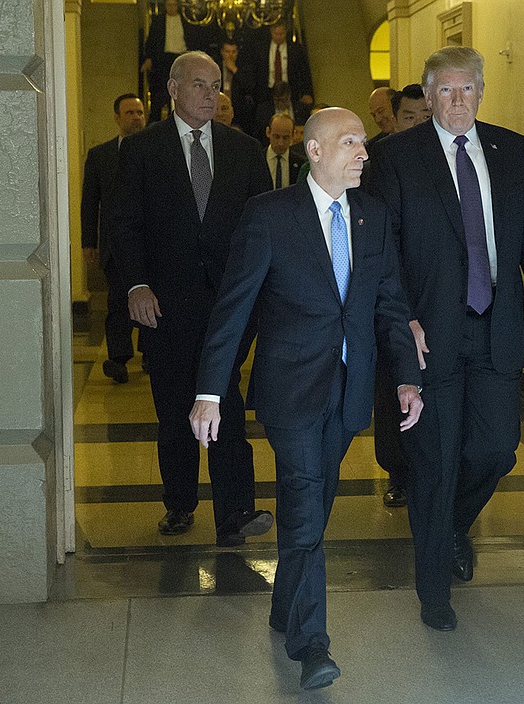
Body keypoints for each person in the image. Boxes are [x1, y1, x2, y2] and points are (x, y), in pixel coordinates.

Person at [189, 107, 423, 690]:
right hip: (290, 391)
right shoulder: (270, 217)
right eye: (351, 143)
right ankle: (311, 644)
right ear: (315, 152)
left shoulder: (372, 214)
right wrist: (209, 392)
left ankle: (281, 606)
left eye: (364, 144)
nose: (364, 154)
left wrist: (406, 379)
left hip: (348, 393)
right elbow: (233, 307)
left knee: (312, 510)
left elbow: (389, 303)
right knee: (303, 505)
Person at [368, 46, 524, 631]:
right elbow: (383, 251)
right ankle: (433, 592)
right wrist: (402, 320)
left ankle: (451, 526)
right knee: (432, 463)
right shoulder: (396, 157)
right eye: (446, 91)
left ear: (481, 92)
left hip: (495, 328)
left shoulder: (510, 150)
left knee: (495, 450)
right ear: (427, 97)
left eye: (468, 89)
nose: (458, 100)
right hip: (430, 335)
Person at [111, 51, 273, 544]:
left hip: (229, 309)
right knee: (175, 410)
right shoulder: (141, 150)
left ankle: (236, 513)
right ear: (173, 89)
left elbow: (262, 228)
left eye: (216, 85)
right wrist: (135, 285)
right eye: (200, 84)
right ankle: (179, 504)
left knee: (227, 403)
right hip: (165, 305)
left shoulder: (243, 150)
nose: (211, 94)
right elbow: (123, 227)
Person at [370, 85, 431, 507]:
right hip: (390, 292)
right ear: (394, 118)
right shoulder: (376, 159)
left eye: (426, 116)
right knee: (392, 385)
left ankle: (432, 470)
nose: (420, 125)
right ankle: (397, 471)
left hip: (435, 293)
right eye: (410, 117)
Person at [81, 93, 146, 384]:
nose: (136, 118)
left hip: (151, 242)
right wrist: (88, 241)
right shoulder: (100, 155)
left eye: (140, 112)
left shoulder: (157, 150)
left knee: (155, 299)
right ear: (117, 118)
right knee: (119, 301)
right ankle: (118, 357)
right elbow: (89, 201)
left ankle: (151, 353)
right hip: (115, 243)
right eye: (130, 113)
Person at [141, 0, 214, 122]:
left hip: (182, 58)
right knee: (160, 94)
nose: (171, 8)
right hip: (163, 60)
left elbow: (194, 39)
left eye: (174, 5)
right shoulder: (158, 21)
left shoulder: (186, 20)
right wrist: (149, 58)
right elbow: (151, 40)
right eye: (169, 5)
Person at [265, 113, 305, 188]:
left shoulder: (300, 163)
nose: (280, 143)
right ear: (268, 132)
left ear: (293, 135)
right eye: (276, 137)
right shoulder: (257, 159)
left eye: (285, 138)